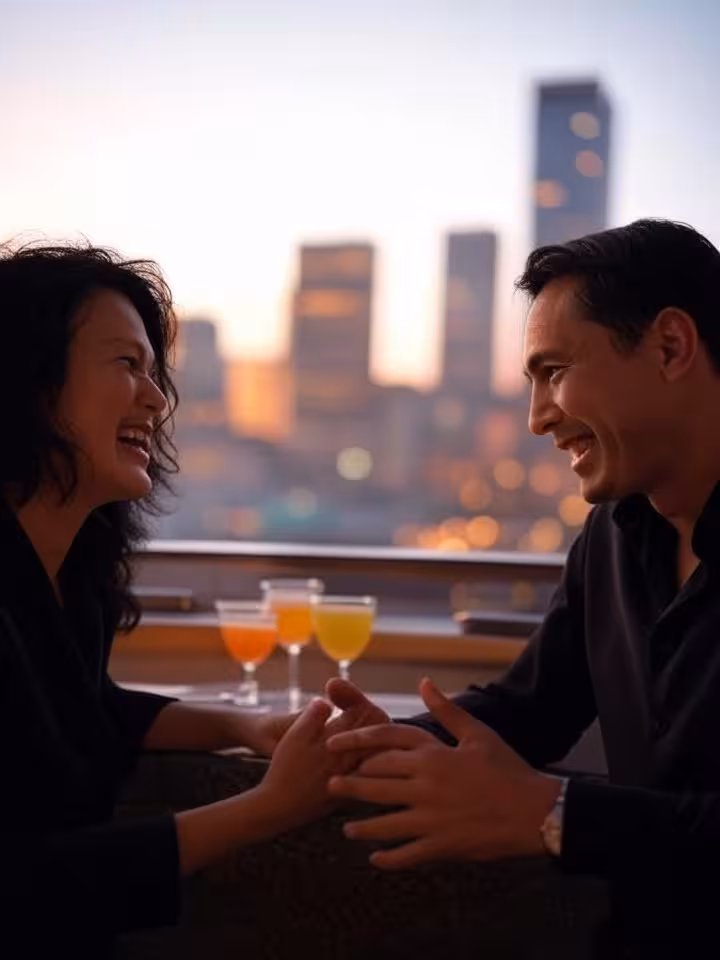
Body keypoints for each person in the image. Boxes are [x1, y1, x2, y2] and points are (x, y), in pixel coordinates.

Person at [324, 219, 720, 957]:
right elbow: (528, 708)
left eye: (555, 372)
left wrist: (559, 813)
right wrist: (367, 742)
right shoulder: (613, 536)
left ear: (671, 346)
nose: (538, 419)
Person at [0, 242, 372, 959]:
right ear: (27, 382)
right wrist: (270, 806)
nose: (157, 398)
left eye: (154, 371)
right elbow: (20, 885)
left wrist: (248, 724)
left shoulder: (69, 581)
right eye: (126, 365)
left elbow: (77, 705)